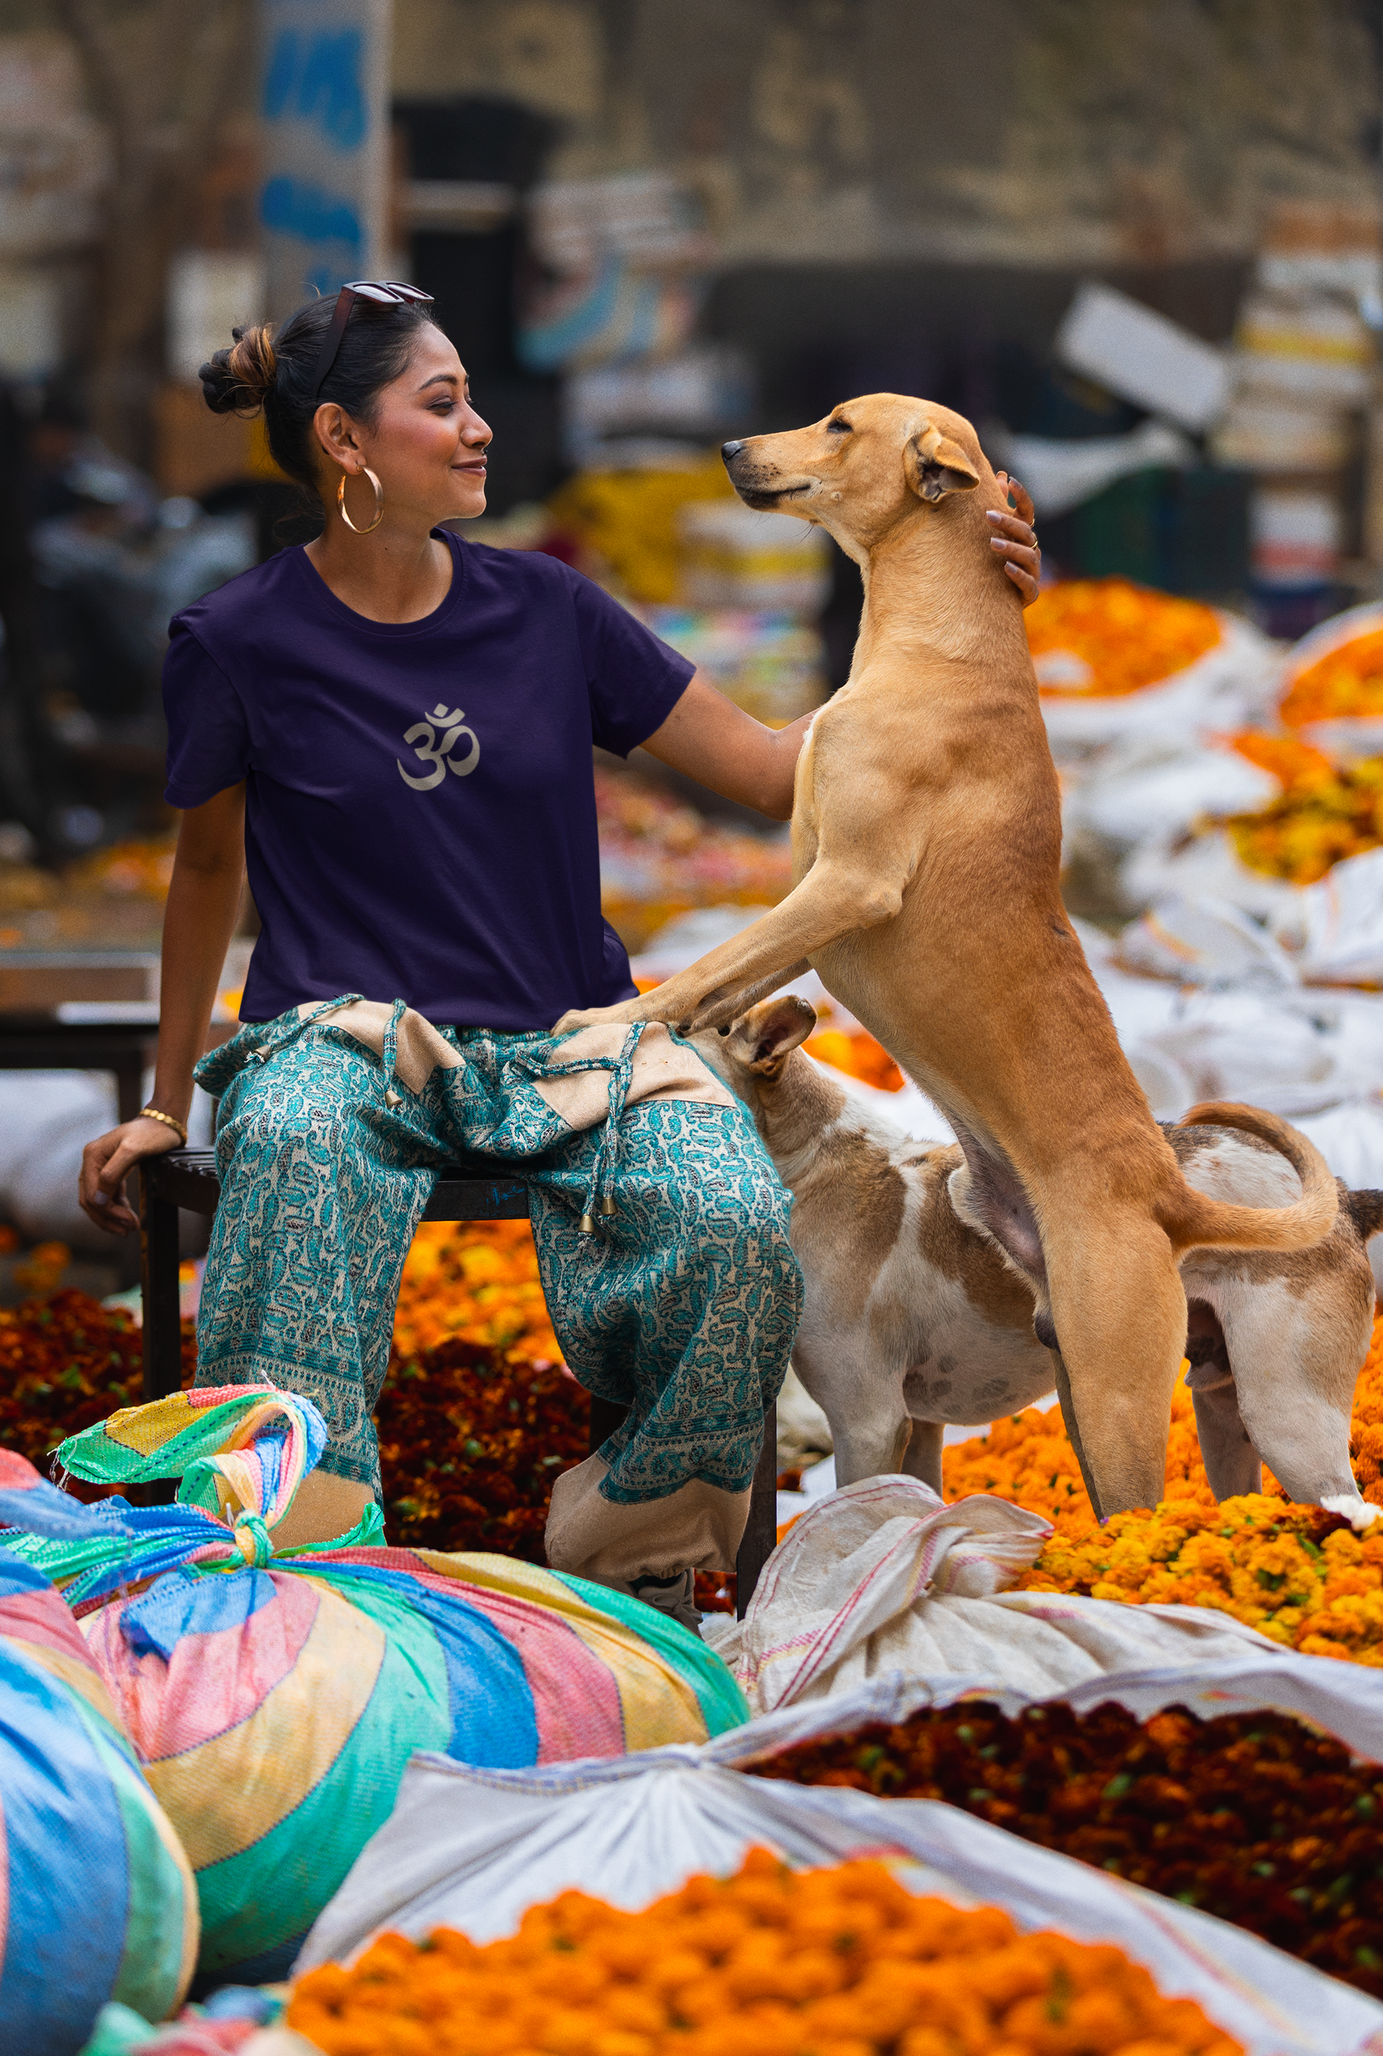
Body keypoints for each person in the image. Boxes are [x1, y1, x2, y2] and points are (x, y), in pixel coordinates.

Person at [78, 282, 1040, 1619]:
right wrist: (163, 1103)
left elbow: (775, 776)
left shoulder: (551, 611)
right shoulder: (235, 644)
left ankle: (629, 1569)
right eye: (441, 404)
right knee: (291, 1147)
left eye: (471, 401)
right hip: (347, 1041)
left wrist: (954, 600)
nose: (478, 431)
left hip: (576, 1039)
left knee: (731, 1220)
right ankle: (284, 1579)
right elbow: (202, 874)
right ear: (346, 444)